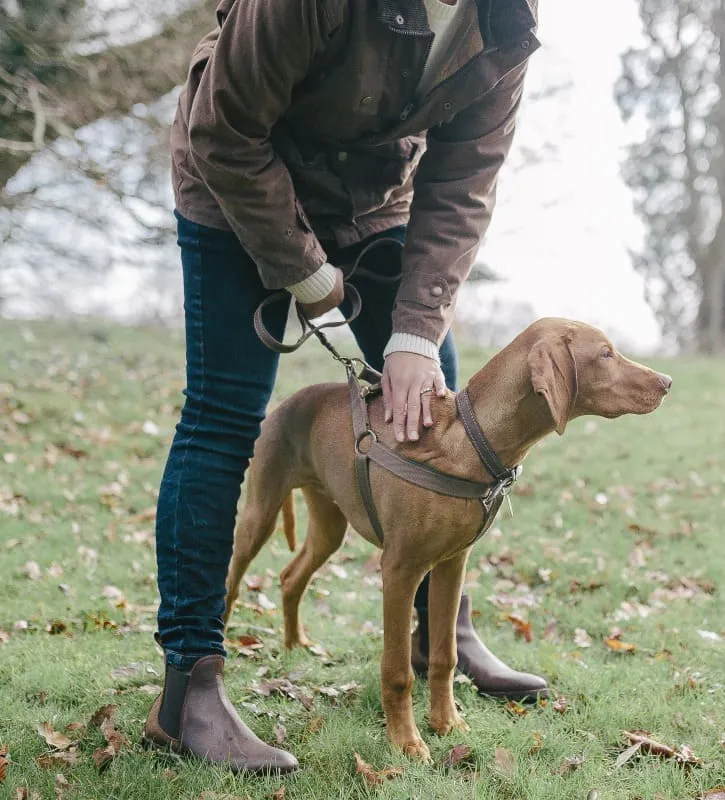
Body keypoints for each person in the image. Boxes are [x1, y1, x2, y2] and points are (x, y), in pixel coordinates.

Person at [142, 0, 546, 774]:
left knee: (440, 402)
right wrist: (304, 271)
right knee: (223, 419)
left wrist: (414, 335)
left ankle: (442, 638)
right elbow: (225, 131)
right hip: (234, 184)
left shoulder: (508, 18)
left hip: (370, 202)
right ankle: (187, 689)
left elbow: (463, 182)